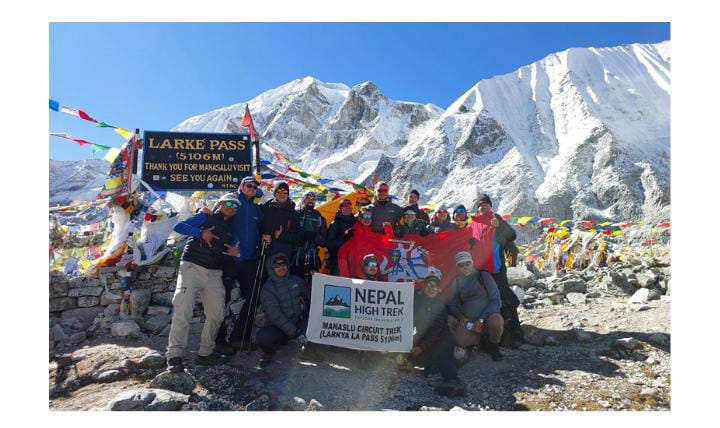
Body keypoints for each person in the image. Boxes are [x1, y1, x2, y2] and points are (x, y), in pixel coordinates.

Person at [166, 193, 241, 372]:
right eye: (228, 203)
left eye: (235, 205)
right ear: (220, 203)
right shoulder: (205, 216)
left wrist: (236, 254)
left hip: (214, 272)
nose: (232, 207)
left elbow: (235, 250)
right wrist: (200, 233)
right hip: (192, 267)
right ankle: (174, 356)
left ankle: (205, 353)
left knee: (217, 313)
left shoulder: (232, 228)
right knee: (183, 309)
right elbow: (179, 226)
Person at [214, 176, 264, 352]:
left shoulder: (257, 209)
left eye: (254, 186)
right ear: (241, 187)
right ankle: (218, 340)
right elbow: (216, 220)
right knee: (222, 299)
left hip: (249, 259)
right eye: (248, 185)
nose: (251, 188)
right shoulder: (231, 201)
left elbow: (260, 230)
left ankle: (239, 337)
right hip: (229, 258)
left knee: (254, 297)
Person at [471, 194, 524, 344]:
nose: (484, 206)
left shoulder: (497, 219)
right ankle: (487, 335)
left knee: (505, 297)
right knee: (483, 299)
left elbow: (512, 235)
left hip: (497, 268)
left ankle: (514, 332)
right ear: (478, 207)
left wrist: (498, 227)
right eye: (481, 204)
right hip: (479, 269)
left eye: (486, 204)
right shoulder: (473, 222)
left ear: (490, 206)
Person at [409, 271, 467, 397]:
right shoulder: (416, 301)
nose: (431, 289)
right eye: (428, 286)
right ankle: (431, 363)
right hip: (423, 337)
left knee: (443, 356)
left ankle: (453, 382)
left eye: (435, 286)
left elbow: (435, 330)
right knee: (408, 355)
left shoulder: (440, 304)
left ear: (439, 290)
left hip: (441, 338)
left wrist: (421, 347)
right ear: (423, 288)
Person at [255, 253, 311, 368]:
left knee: (313, 324)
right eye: (277, 265)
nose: (281, 267)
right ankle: (269, 352)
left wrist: (316, 278)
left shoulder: (296, 280)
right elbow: (275, 315)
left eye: (283, 264)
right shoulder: (267, 289)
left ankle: (308, 349)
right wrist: (295, 332)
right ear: (271, 268)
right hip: (278, 327)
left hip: (297, 322)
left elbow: (312, 294)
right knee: (264, 337)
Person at [447, 251, 504, 361]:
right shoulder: (457, 282)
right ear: (457, 267)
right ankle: (478, 341)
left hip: (487, 317)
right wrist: (461, 317)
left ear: (472, 263)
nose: (465, 267)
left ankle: (493, 346)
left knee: (497, 322)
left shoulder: (483, 276)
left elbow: (496, 300)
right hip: (469, 320)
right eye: (461, 265)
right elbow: (452, 305)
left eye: (467, 264)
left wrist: (481, 319)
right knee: (460, 340)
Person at [292, 191, 327, 281]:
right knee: (295, 280)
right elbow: (289, 234)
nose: (310, 201)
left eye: (313, 199)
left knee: (311, 282)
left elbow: (324, 241)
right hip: (296, 254)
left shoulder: (320, 218)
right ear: (303, 200)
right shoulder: (295, 215)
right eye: (308, 198)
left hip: (313, 255)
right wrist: (301, 237)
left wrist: (316, 238)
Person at [260, 181, 298, 260]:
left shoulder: (293, 213)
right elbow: (257, 227)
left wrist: (282, 236)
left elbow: (298, 236)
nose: (282, 194)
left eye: (285, 192)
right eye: (279, 192)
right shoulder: (265, 208)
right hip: (265, 250)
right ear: (274, 193)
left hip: (283, 253)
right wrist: (262, 236)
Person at [326, 199, 357, 275]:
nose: (347, 208)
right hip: (338, 261)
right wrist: (344, 238)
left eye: (349, 206)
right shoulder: (335, 224)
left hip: (354, 261)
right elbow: (331, 245)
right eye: (345, 206)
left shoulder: (356, 222)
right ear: (341, 209)